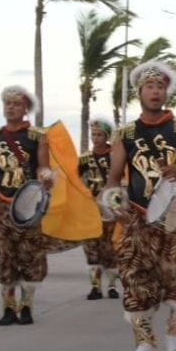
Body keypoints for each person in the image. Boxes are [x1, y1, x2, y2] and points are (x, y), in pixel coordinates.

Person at [104, 59, 176, 351]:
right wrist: (114, 202)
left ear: (166, 92)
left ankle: (174, 338)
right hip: (138, 216)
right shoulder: (125, 133)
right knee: (135, 276)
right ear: (139, 92)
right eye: (149, 86)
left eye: (160, 86)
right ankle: (144, 341)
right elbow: (114, 177)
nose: (155, 91)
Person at [0, 86, 55, 325]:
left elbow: (43, 165)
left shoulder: (36, 137)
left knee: (29, 255)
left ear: (25, 109)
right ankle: (8, 307)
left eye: (16, 104)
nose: (10, 108)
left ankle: (27, 306)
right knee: (6, 255)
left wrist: (46, 176)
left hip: (28, 204)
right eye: (7, 103)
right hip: (1, 204)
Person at [77, 118, 120, 301]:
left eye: (100, 134)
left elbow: (122, 178)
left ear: (107, 136)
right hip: (91, 208)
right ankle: (95, 286)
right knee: (91, 247)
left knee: (109, 247)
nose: (96, 138)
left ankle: (111, 286)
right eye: (93, 134)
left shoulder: (115, 156)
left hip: (111, 206)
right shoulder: (85, 158)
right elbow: (74, 179)